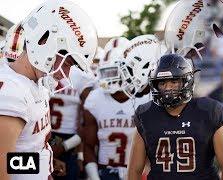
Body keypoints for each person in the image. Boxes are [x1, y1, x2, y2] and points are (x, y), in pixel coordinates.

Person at [0, 0, 98, 179]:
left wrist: (44, 164)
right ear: (43, 42)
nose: (66, 74)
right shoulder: (11, 93)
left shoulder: (35, 83)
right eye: (68, 63)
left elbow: (17, 156)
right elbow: (1, 167)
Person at [128, 54, 223, 180]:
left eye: (174, 82)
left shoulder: (208, 111)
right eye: (162, 83)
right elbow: (134, 170)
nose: (168, 88)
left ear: (187, 81)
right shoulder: (146, 114)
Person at [83, 36, 159, 180]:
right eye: (107, 72)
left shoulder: (147, 97)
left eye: (115, 72)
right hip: (106, 172)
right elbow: (88, 145)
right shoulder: (95, 99)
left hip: (139, 172)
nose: (110, 78)